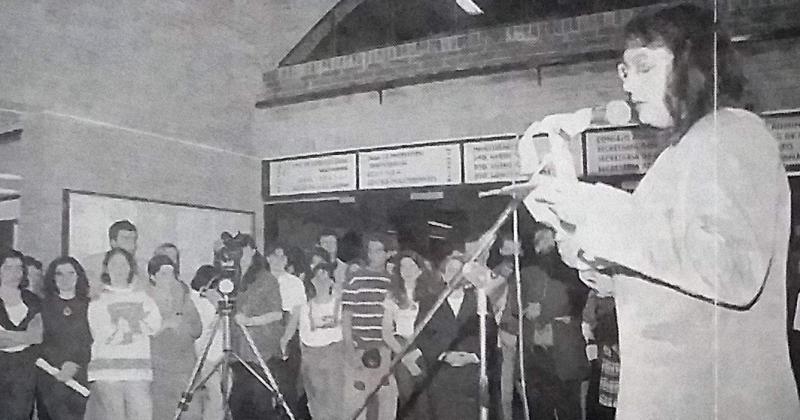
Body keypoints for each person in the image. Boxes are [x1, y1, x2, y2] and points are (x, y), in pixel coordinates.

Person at [522, 4, 800, 418]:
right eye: (624, 71)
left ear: (694, 64)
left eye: (644, 67)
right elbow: (682, 275)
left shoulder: (733, 133)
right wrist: (607, 269)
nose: (628, 83)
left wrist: (600, 210)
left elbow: (732, 268)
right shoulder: (683, 151)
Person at [415, 252, 498, 420]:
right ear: (444, 275)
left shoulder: (479, 300)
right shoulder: (430, 302)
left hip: (472, 374)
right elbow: (422, 336)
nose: (455, 274)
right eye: (451, 270)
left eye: (460, 270)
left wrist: (474, 356)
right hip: (442, 375)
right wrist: (444, 355)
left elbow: (490, 333)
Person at [85, 248, 161, 420]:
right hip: (107, 370)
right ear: (106, 269)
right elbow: (101, 332)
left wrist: (131, 323)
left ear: (130, 268)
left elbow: (154, 325)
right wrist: (132, 322)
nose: (119, 268)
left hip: (137, 369)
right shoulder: (98, 299)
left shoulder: (143, 296)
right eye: (114, 264)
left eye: (123, 264)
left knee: (142, 414)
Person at [340, 233, 398, 420]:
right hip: (358, 349)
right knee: (356, 403)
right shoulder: (355, 279)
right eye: (370, 250)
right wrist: (349, 348)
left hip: (384, 350)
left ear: (388, 253)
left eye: (378, 250)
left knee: (387, 400)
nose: (373, 255)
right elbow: (346, 316)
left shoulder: (393, 281)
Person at [229, 237, 287, 420]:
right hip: (238, 351)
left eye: (243, 249)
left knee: (260, 403)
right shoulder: (233, 278)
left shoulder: (266, 279)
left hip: (260, 350)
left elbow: (277, 313)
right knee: (237, 403)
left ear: (253, 250)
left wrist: (250, 321)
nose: (240, 254)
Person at [284, 261, 344, 420]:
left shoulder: (341, 304)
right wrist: (283, 345)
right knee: (316, 399)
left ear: (332, 281)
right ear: (312, 282)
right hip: (311, 357)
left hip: (335, 354)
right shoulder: (302, 307)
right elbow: (288, 332)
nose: (322, 282)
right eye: (318, 278)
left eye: (325, 277)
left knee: (336, 398)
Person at [37, 256, 92, 420]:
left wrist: (74, 364)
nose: (65, 278)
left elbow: (90, 341)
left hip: (80, 377)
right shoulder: (42, 306)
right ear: (52, 278)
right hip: (51, 376)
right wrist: (60, 365)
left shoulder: (90, 306)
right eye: (59, 274)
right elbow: (40, 341)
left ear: (78, 276)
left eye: (70, 273)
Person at [148, 254, 202, 420]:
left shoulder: (185, 299)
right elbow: (142, 335)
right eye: (164, 274)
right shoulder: (146, 301)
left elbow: (197, 329)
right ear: (152, 277)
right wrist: (165, 324)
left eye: (172, 273)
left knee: (191, 414)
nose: (169, 279)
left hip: (186, 369)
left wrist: (185, 324)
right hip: (159, 370)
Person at [0, 249, 43, 419]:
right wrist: (24, 336)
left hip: (24, 370)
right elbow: (29, 336)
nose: (15, 273)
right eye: (8, 268)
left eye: (19, 268)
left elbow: (37, 336)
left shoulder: (32, 299)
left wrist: (6, 336)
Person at [189, 265, 225, 420]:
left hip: (220, 355)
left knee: (219, 400)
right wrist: (217, 305)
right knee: (215, 400)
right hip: (205, 357)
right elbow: (212, 326)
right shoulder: (196, 301)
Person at [84, 220, 148, 298]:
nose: (132, 244)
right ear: (113, 242)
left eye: (134, 239)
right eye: (126, 239)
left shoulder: (143, 266)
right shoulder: (92, 264)